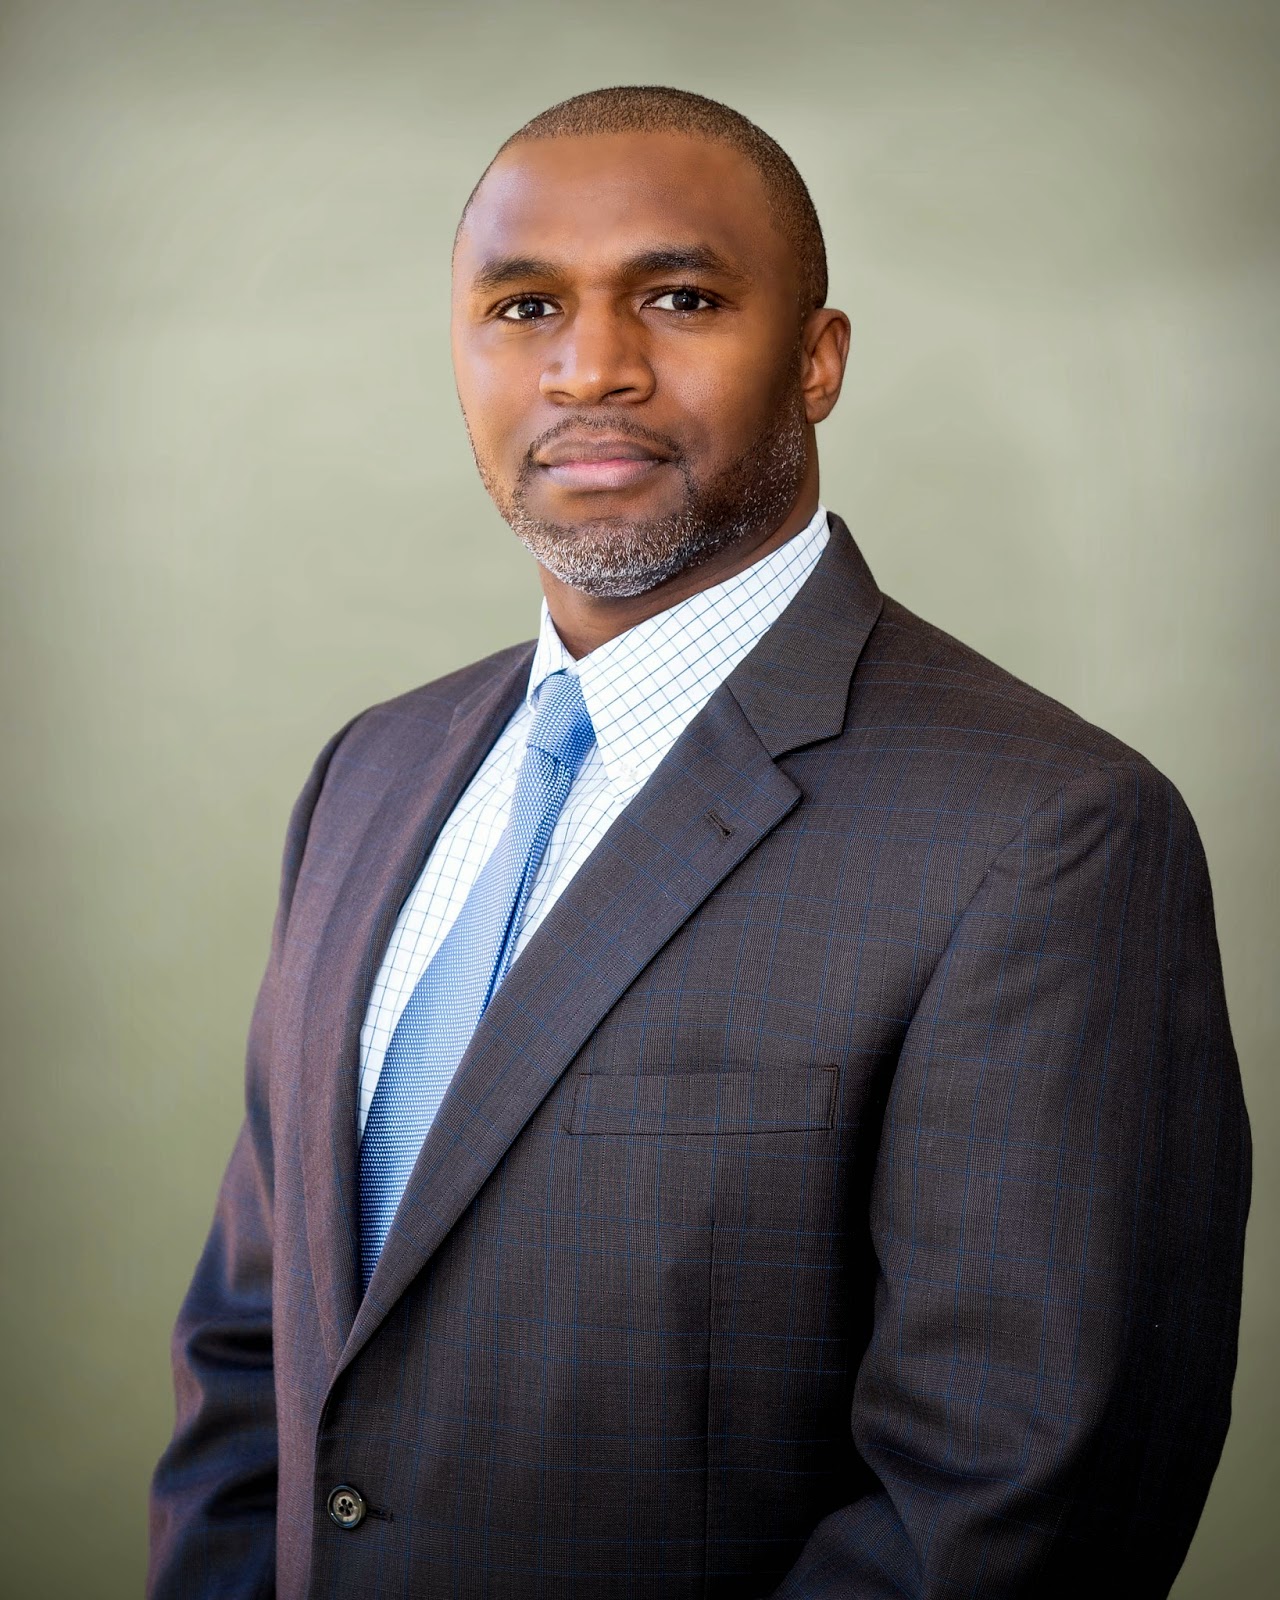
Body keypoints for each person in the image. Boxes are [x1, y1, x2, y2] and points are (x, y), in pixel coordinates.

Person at [148, 86, 1251, 1600]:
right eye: (524, 306)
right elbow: (251, 1355)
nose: (589, 365)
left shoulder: (1049, 837)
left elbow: (1010, 1506)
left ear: (818, 360)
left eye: (679, 298)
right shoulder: (371, 773)